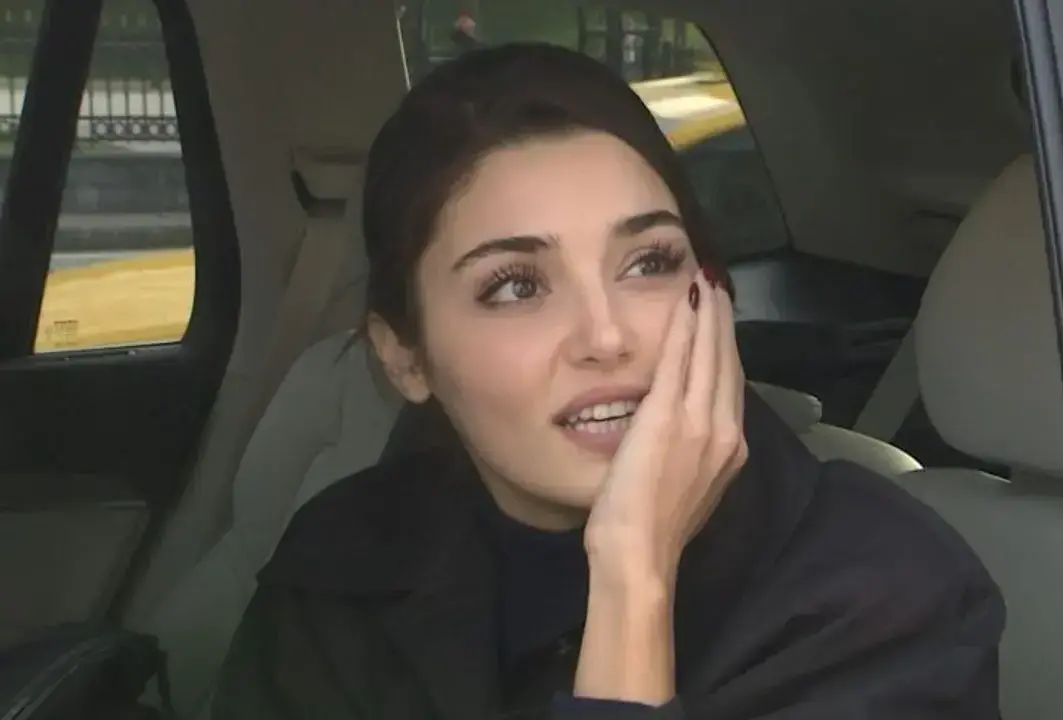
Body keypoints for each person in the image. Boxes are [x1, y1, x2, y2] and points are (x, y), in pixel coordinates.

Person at [212, 43, 1005, 719]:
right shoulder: (341, 563)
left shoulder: (886, 596)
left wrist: (632, 583)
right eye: (515, 286)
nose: (606, 337)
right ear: (405, 359)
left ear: (711, 290)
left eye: (649, 262)